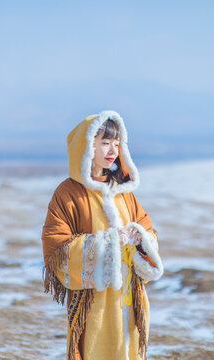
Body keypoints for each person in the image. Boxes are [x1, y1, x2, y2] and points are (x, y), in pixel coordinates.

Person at [42, 110, 163, 360]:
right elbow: (56, 246)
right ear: (87, 146)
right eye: (104, 142)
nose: (112, 150)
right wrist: (108, 245)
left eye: (116, 144)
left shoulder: (123, 191)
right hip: (92, 298)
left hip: (128, 295)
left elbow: (147, 229)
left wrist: (139, 239)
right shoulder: (67, 193)